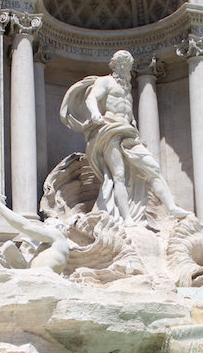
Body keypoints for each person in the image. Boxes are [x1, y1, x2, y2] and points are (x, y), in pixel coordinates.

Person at [60, 50, 191, 226]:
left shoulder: (127, 90)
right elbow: (91, 98)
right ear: (113, 66)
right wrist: (95, 113)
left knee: (153, 168)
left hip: (129, 133)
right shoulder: (105, 81)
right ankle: (127, 218)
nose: (124, 68)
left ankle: (172, 208)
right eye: (121, 64)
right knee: (119, 175)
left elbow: (130, 115)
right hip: (109, 130)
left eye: (127, 65)